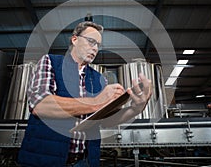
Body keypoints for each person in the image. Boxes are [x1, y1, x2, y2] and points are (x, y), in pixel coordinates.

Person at [18, 21, 152, 167]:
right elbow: (41, 105)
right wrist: (96, 101)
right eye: (91, 41)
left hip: (85, 161)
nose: (95, 48)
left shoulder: (98, 78)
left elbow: (106, 120)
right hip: (45, 159)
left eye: (98, 45)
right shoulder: (51, 62)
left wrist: (136, 108)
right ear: (74, 40)